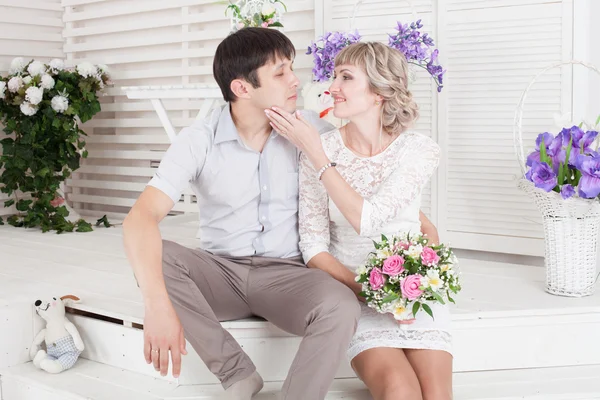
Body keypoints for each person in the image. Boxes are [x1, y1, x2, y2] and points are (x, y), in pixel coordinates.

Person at [122, 27, 362, 400]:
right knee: (160, 254)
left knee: (341, 306)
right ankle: (236, 374)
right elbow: (139, 219)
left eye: (291, 68)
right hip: (220, 272)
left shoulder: (311, 129)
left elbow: (364, 187)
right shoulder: (199, 139)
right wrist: (157, 307)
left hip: (290, 274)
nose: (295, 80)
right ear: (242, 88)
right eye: (280, 72)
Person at [265, 42, 453, 400]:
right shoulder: (321, 150)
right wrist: (369, 292)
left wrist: (419, 278)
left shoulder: (419, 150)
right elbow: (313, 247)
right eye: (334, 76)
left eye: (346, 77)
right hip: (357, 299)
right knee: (400, 391)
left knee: (437, 394)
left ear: (380, 91)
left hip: (416, 297)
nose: (331, 87)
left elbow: (372, 219)